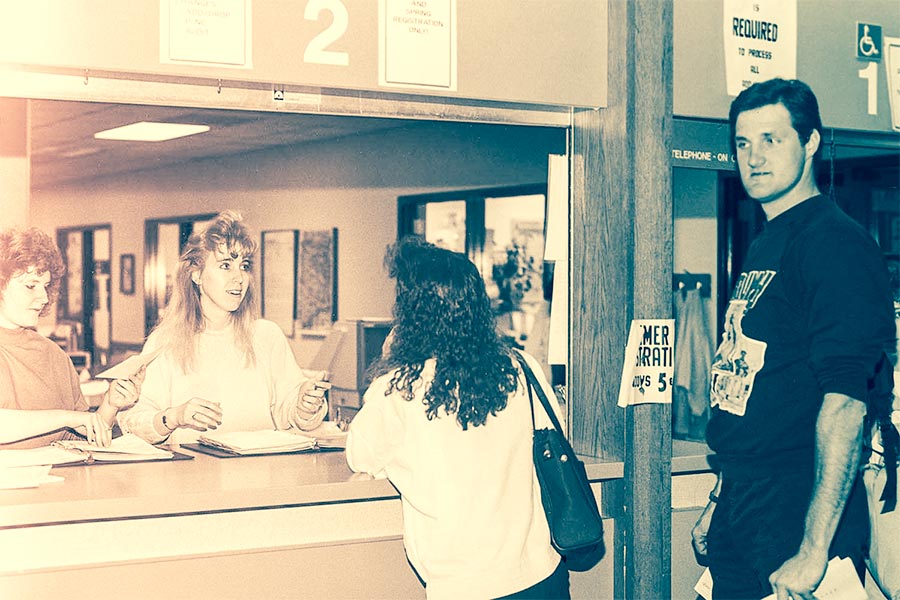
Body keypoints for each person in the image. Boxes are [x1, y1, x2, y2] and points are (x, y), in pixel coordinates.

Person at [690, 78, 896, 600]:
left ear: (810, 143)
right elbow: (758, 390)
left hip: (799, 508)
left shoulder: (833, 244)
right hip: (746, 502)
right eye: (742, 143)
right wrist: (721, 496)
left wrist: (813, 550)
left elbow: (847, 402)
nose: (753, 157)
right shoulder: (769, 241)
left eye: (771, 140)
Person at [346, 237, 568, 600]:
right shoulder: (521, 368)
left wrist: (392, 357)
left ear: (411, 315)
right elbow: (550, 431)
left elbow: (361, 456)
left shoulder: (400, 388)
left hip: (465, 586)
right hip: (539, 574)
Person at [117, 211, 328, 445]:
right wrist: (175, 417)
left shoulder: (267, 336)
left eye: (244, 266)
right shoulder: (165, 341)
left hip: (260, 474)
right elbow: (132, 421)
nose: (239, 278)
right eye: (226, 265)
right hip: (191, 477)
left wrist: (304, 404)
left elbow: (289, 411)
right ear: (196, 274)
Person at [0, 227, 143, 448]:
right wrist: (66, 417)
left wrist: (110, 405)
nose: (44, 297)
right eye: (31, 286)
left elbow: (76, 440)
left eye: (46, 286)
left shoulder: (54, 355)